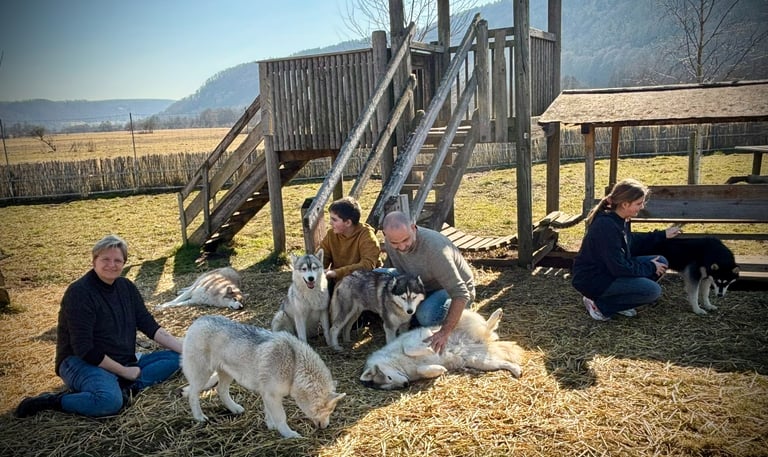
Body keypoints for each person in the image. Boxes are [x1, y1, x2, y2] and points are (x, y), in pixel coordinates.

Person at [15, 234, 183, 418]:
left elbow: (150, 326)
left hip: (122, 359)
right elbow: (84, 349)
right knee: (109, 402)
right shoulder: (79, 293)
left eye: (117, 260)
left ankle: (123, 385)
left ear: (124, 263)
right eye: (105, 259)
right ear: (94, 260)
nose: (112, 264)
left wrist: (187, 350)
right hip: (80, 362)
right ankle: (52, 401)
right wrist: (125, 371)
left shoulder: (126, 287)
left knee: (181, 359)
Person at [571, 178, 682, 321]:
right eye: (638, 203)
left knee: (661, 261)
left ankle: (620, 301)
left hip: (609, 271)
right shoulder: (606, 226)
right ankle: (600, 305)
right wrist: (650, 267)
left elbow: (631, 241)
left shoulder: (621, 219)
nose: (641, 207)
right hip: (593, 279)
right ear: (624, 204)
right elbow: (619, 268)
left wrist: (662, 234)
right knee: (652, 291)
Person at [380, 211, 475, 354]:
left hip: (448, 289)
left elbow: (461, 292)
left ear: (413, 228)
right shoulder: (389, 242)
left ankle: (427, 318)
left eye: (405, 240)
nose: (401, 247)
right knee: (376, 276)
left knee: (426, 315)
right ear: (385, 235)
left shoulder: (436, 249)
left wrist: (444, 332)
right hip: (419, 283)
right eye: (395, 243)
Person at [319, 196, 382, 286]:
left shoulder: (367, 236)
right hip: (340, 284)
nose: (330, 223)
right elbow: (322, 257)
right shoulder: (331, 235)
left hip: (365, 284)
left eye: (334, 219)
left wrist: (336, 273)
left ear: (348, 223)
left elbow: (367, 265)